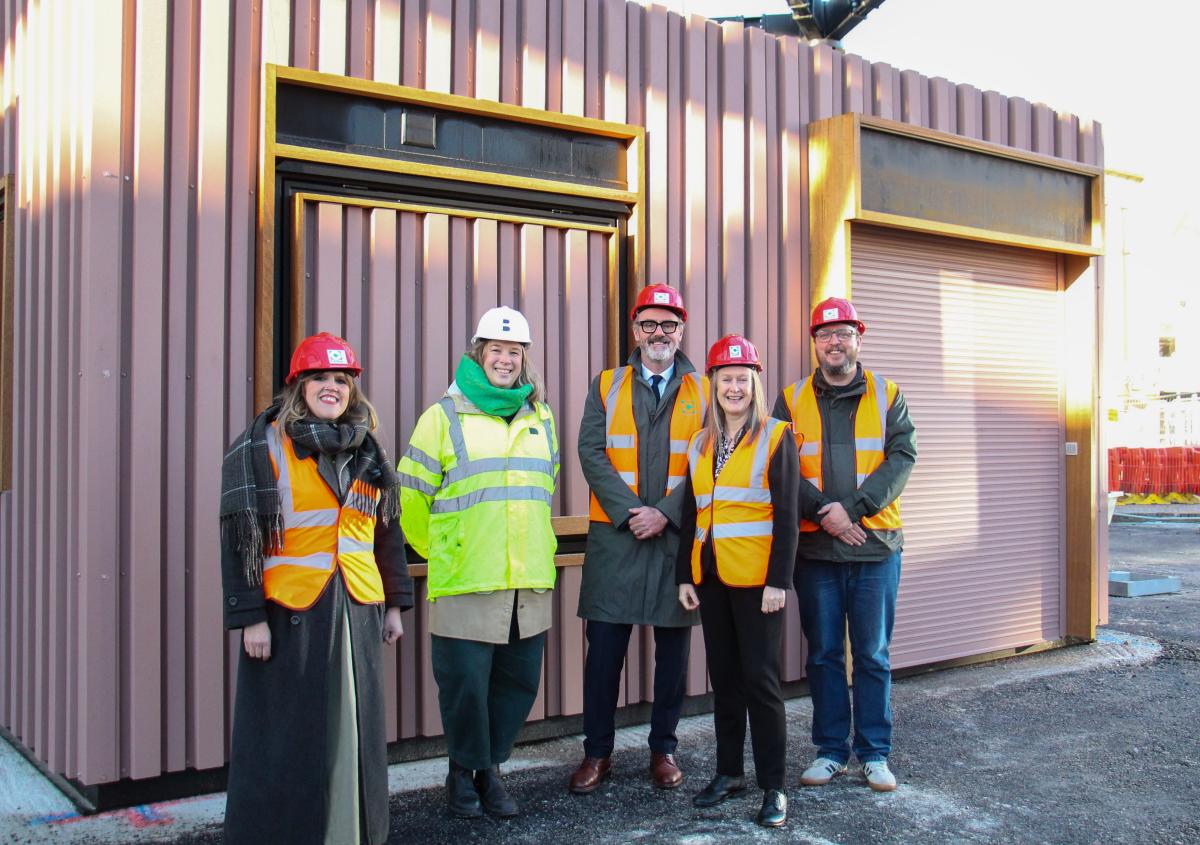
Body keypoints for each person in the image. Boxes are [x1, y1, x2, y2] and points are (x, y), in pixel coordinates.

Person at [220, 332, 412, 845]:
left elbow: (386, 533)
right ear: (298, 386)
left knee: (355, 734)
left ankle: (350, 834)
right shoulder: (262, 445)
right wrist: (249, 616)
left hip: (358, 611)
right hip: (290, 615)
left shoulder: (368, 450)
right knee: (289, 740)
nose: (332, 387)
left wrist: (395, 604)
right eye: (320, 378)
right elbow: (241, 538)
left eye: (341, 379)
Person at [398, 306, 559, 819]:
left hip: (527, 578)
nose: (506, 360)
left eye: (515, 352)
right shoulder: (442, 417)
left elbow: (544, 488)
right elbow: (409, 498)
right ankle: (462, 772)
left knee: (516, 686)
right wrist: (446, 552)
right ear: (478, 353)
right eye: (497, 350)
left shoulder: (541, 417)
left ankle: (490, 771)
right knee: (466, 687)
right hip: (467, 578)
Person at [772, 296, 917, 793]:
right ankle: (832, 750)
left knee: (874, 653)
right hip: (816, 552)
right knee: (824, 654)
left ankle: (875, 753)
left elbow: (902, 458)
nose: (834, 341)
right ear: (814, 342)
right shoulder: (790, 400)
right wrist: (823, 514)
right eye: (824, 333)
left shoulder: (888, 393)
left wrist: (850, 510)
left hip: (876, 547)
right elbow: (779, 467)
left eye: (844, 332)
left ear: (859, 337)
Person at [570, 284, 707, 794]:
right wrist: (633, 513)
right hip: (617, 539)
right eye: (649, 324)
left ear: (681, 331)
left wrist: (667, 514)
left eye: (668, 324)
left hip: (674, 540)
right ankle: (597, 752)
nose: (659, 333)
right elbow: (591, 453)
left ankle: (663, 750)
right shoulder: (606, 384)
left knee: (673, 654)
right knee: (603, 652)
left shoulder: (704, 387)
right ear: (635, 331)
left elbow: (709, 461)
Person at [676, 335, 799, 828]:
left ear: (755, 384)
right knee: (725, 682)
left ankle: (773, 788)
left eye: (742, 379)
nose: (734, 387)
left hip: (757, 583)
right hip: (711, 579)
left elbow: (788, 515)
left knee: (761, 684)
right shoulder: (701, 442)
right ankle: (730, 774)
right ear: (713, 385)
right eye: (725, 378)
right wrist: (686, 574)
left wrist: (779, 582)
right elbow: (692, 512)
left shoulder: (775, 435)